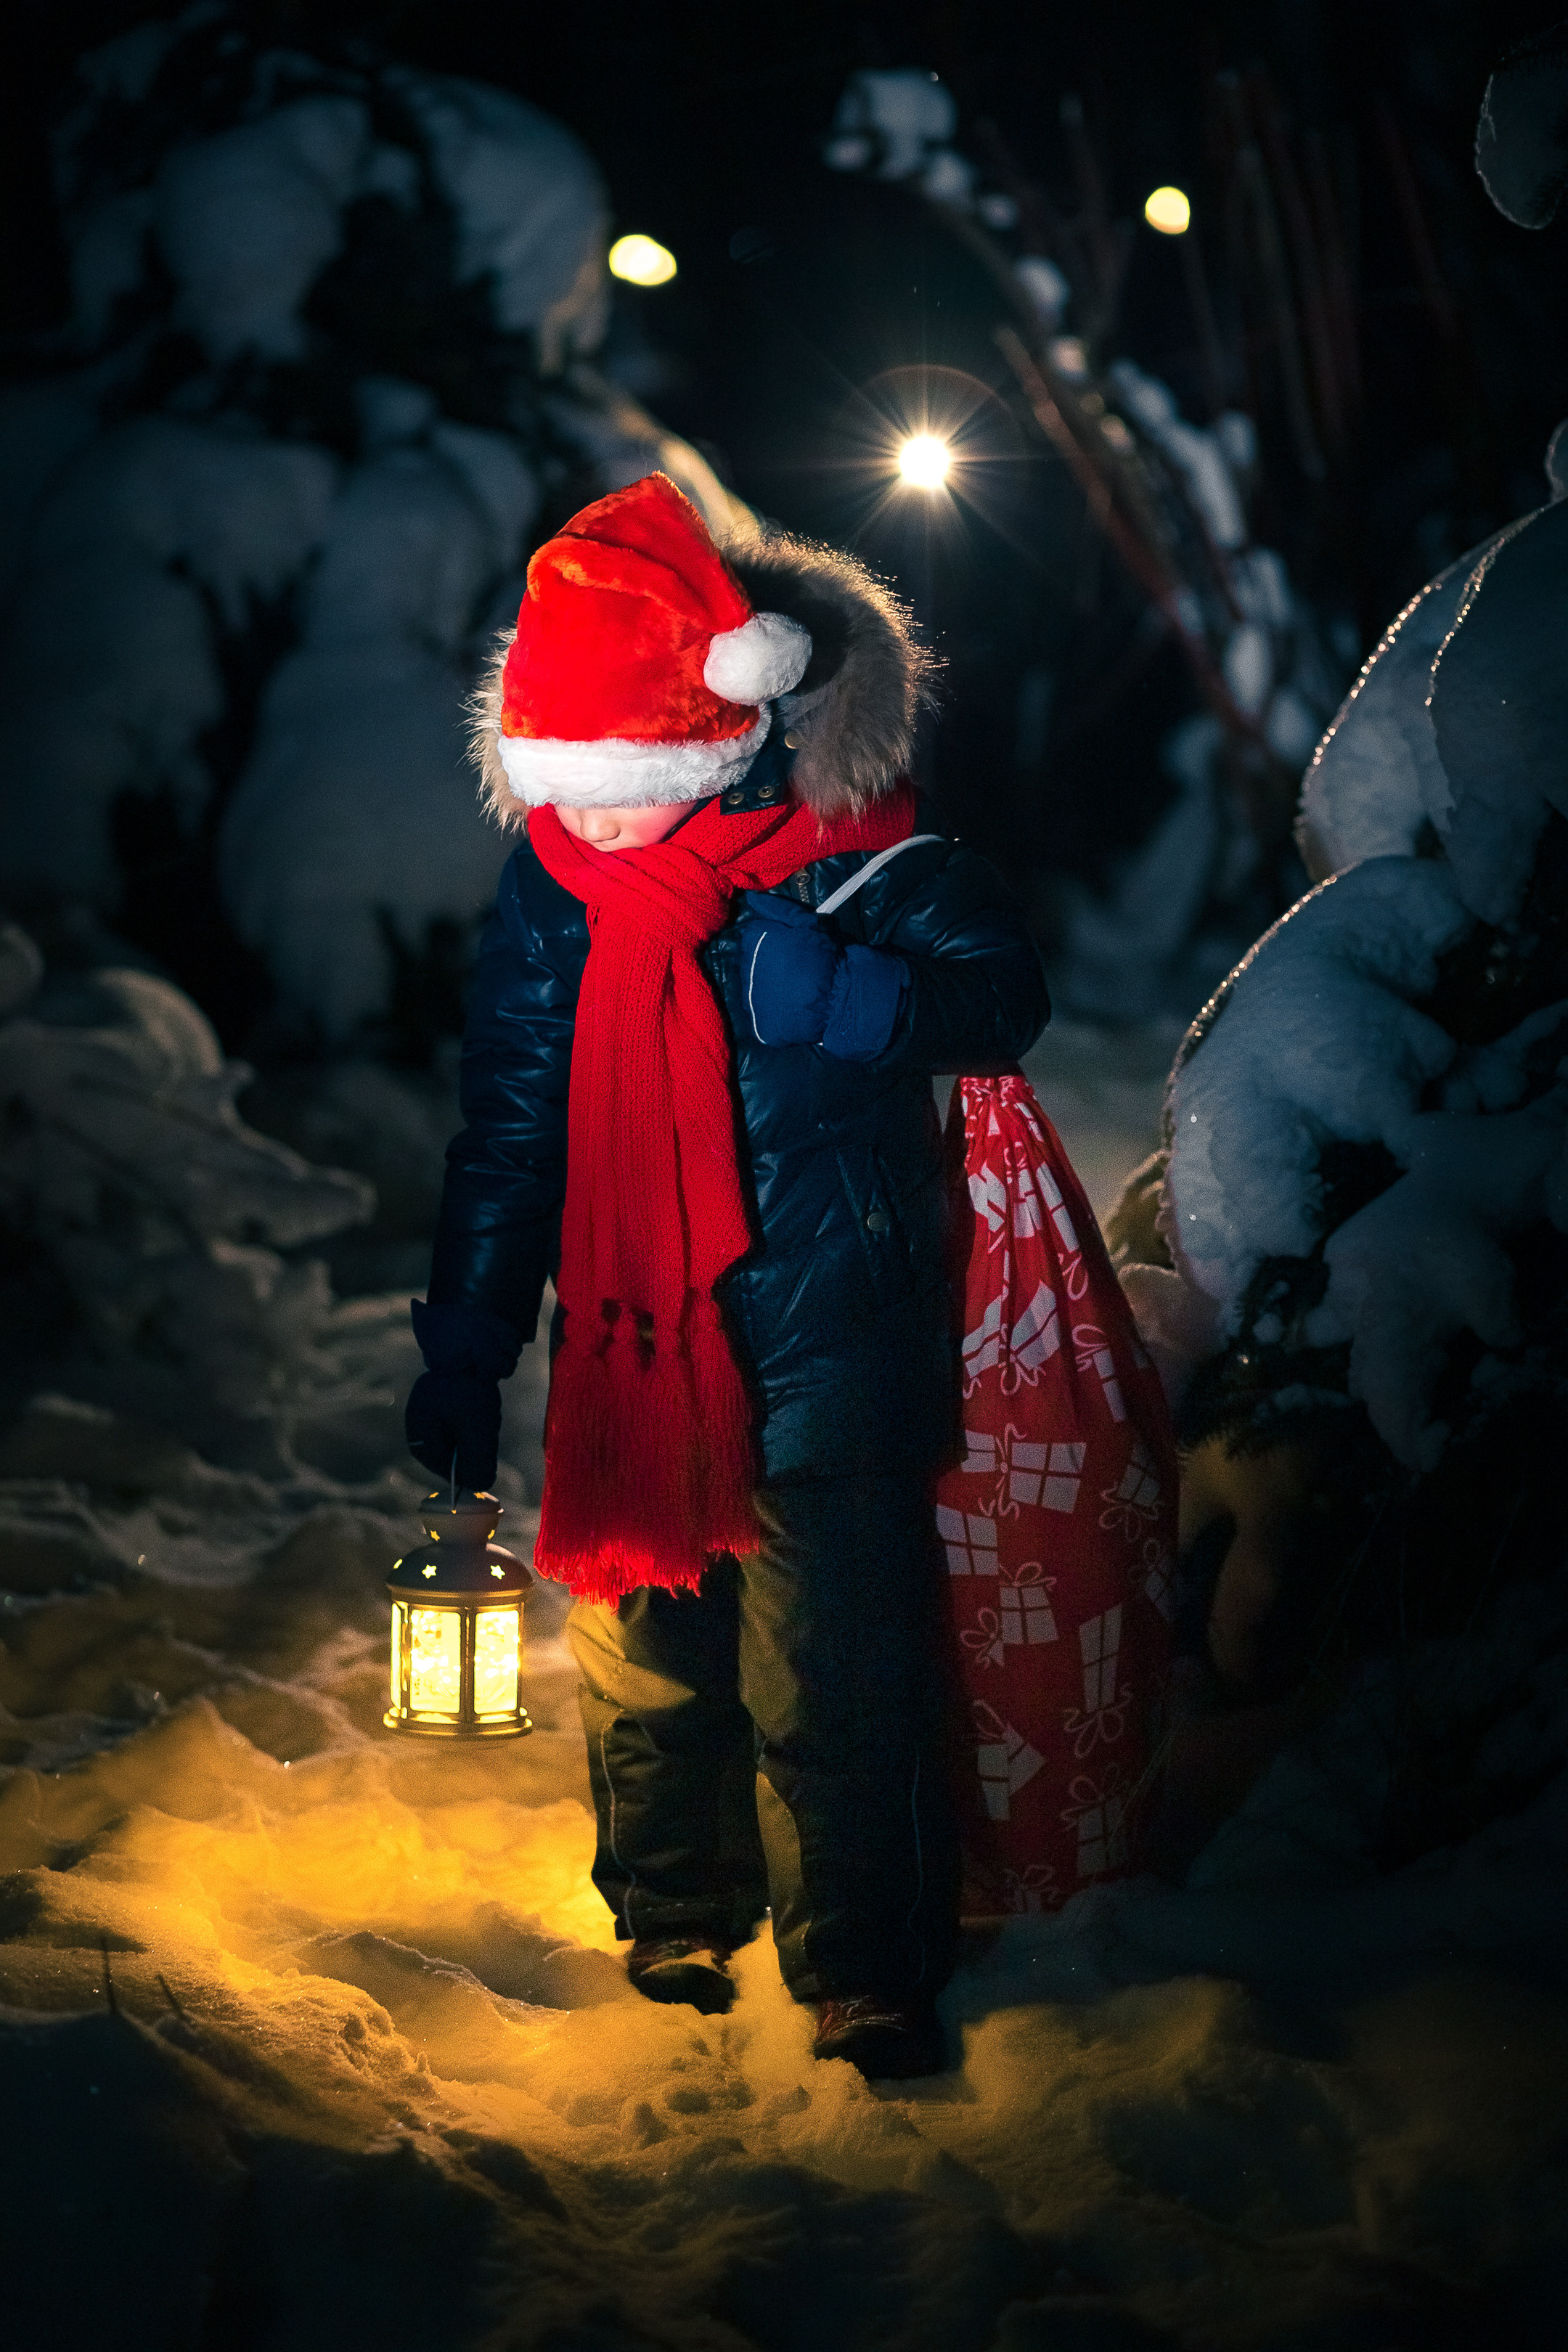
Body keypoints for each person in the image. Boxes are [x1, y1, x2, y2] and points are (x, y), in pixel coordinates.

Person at [407, 474, 1048, 2078]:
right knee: (648, 1655)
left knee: (835, 1669)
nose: (589, 819)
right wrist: (471, 1335)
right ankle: (679, 1904)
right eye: (566, 784)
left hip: (835, 1323)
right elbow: (514, 1119)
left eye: (621, 783)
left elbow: (1001, 998)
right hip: (635, 1340)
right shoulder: (560, 889)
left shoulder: (855, 857)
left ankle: (868, 1966)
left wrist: (841, 996)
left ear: (722, 736)